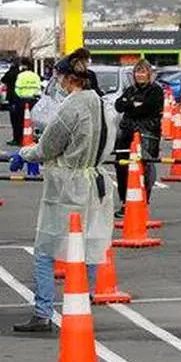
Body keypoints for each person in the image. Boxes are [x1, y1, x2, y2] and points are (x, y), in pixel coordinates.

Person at [11, 51, 115, 332]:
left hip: (68, 185)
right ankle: (84, 300)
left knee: (46, 248)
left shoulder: (71, 108)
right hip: (96, 181)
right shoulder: (103, 105)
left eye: (58, 77)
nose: (56, 82)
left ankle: (43, 312)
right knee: (89, 245)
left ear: (69, 79)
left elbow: (47, 147)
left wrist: (24, 154)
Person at [114, 60, 164, 218]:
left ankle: (142, 201)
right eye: (137, 72)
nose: (140, 75)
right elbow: (118, 105)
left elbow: (148, 108)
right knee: (121, 167)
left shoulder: (155, 91)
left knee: (144, 168)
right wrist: (132, 104)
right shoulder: (130, 89)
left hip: (147, 134)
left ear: (149, 74)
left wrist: (132, 106)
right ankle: (125, 201)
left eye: (143, 72)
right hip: (127, 134)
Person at [12, 57, 42, 146]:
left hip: (22, 101)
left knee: (19, 121)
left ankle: (20, 139)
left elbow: (17, 89)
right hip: (33, 100)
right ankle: (32, 138)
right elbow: (38, 89)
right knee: (32, 121)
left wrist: (20, 96)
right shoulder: (35, 76)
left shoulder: (21, 76)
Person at [0, 58, 22, 146]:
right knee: (23, 120)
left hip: (13, 99)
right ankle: (23, 138)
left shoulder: (11, 73)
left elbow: (3, 79)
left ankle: (16, 139)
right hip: (22, 98)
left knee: (15, 121)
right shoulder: (21, 74)